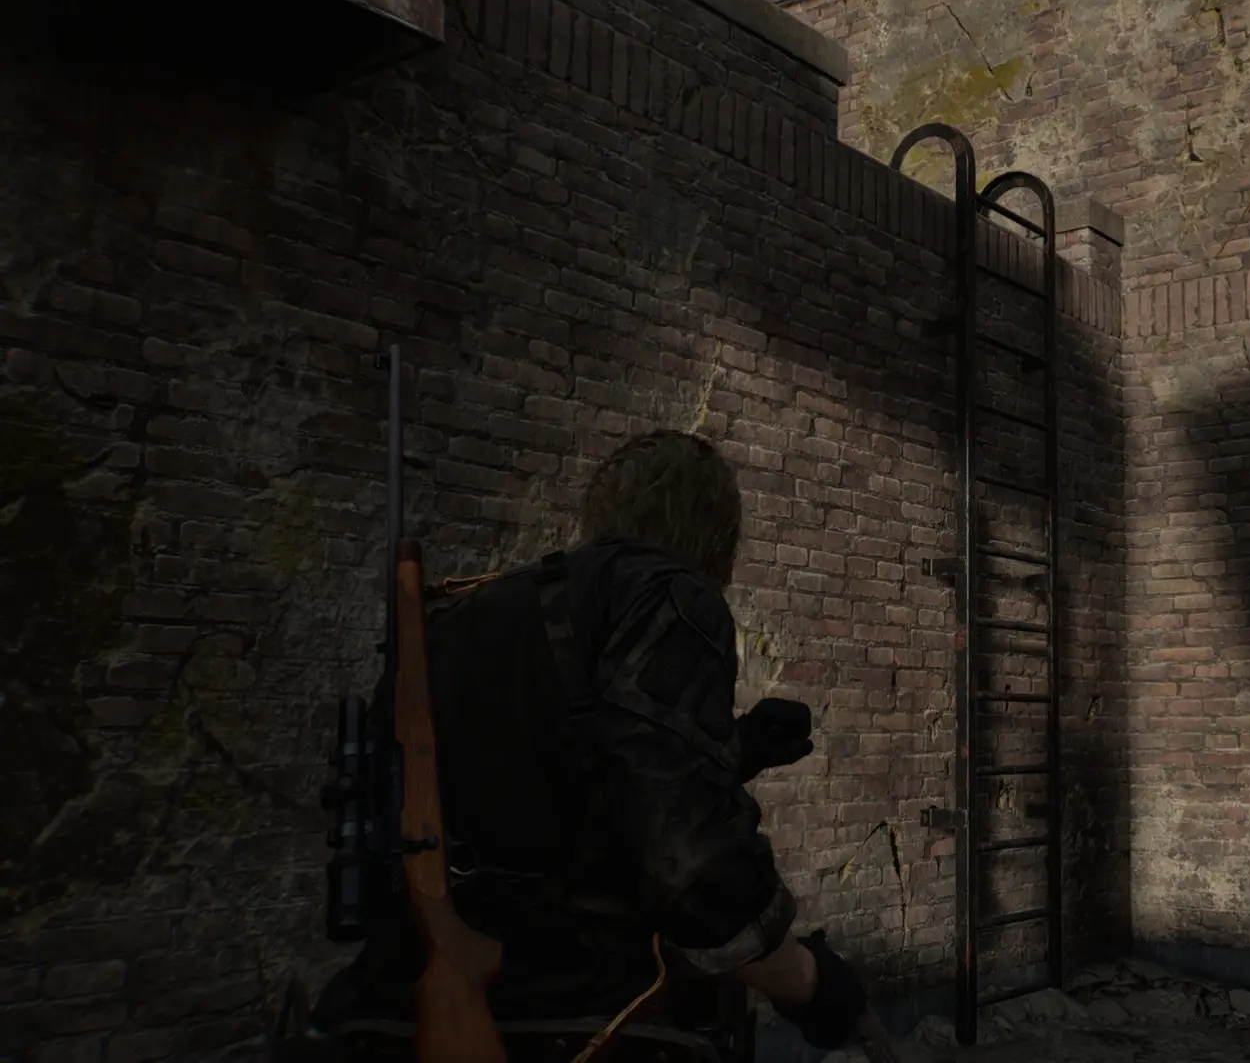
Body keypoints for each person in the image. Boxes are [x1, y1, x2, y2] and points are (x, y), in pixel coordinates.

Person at [304, 430, 893, 1062]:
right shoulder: (666, 593)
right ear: (715, 528)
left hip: (386, 1011)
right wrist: (817, 985)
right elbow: (693, 872)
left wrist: (739, 748)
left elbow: (551, 780)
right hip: (586, 1014)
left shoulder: (462, 614)